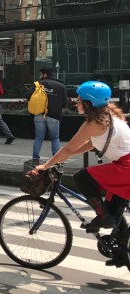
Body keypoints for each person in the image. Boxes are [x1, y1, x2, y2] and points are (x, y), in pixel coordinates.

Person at [35, 81, 130, 233]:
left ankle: (102, 216)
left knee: (82, 177)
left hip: (125, 168)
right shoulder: (109, 116)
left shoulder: (93, 123)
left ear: (88, 103)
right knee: (113, 215)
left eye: (78, 100)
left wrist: (46, 165)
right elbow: (92, 143)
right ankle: (121, 255)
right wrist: (67, 155)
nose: (75, 102)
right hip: (125, 168)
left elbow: (67, 148)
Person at [25, 67, 67, 163]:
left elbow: (28, 96)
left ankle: (35, 158)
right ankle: (56, 159)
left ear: (44, 74)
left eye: (40, 74)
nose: (40, 76)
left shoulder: (38, 84)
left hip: (39, 114)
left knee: (39, 137)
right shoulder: (61, 85)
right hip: (54, 116)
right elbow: (65, 103)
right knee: (55, 138)